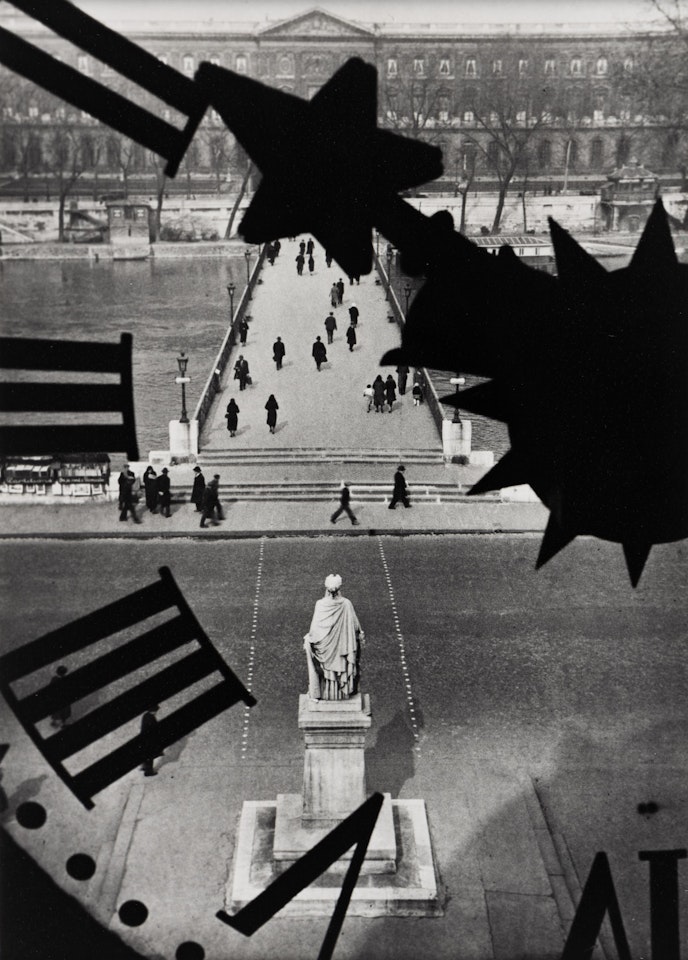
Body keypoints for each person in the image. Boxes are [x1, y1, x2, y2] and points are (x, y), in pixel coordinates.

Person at [303, 574, 365, 701]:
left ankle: (321, 692)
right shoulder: (347, 604)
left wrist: (308, 638)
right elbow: (356, 627)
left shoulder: (320, 604)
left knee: (308, 644)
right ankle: (344, 691)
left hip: (325, 653)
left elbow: (314, 631)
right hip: (342, 653)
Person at [140, 705, 161, 777]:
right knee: (150, 756)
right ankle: (148, 772)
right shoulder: (151, 718)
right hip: (149, 740)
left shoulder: (145, 715)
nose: (156, 713)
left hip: (144, 739)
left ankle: (144, 767)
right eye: (155, 711)